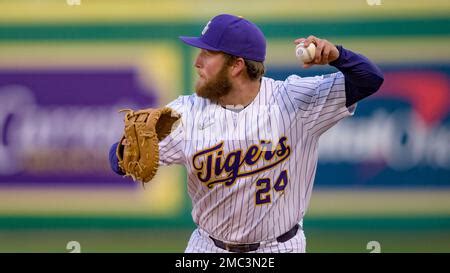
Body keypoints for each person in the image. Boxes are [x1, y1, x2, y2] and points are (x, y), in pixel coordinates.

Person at [109, 14, 384, 253]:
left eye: (207, 53)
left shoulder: (293, 99)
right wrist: (124, 151)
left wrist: (337, 55)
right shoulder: (186, 113)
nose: (197, 62)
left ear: (236, 65)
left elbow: (370, 79)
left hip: (281, 246)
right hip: (207, 247)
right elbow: (121, 161)